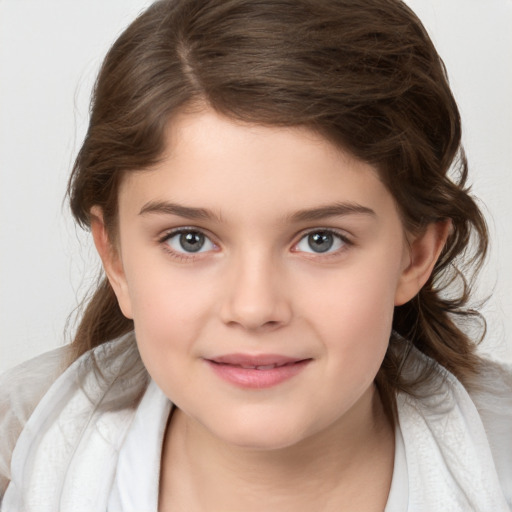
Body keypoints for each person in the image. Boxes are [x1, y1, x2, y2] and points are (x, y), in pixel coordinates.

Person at [0, 0, 510, 510]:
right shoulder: (21, 448)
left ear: (414, 256)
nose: (253, 308)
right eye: (190, 240)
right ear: (115, 259)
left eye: (320, 240)